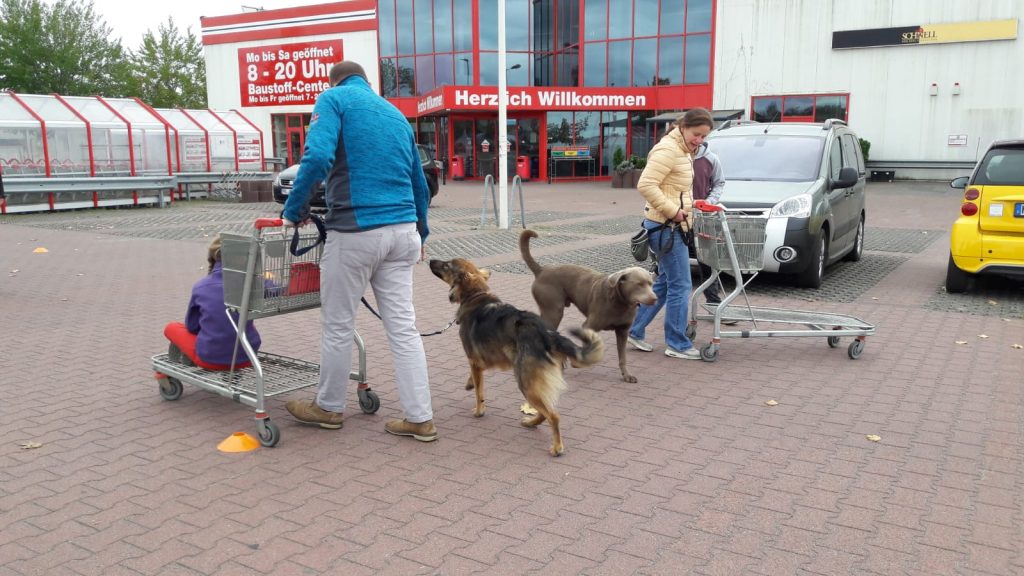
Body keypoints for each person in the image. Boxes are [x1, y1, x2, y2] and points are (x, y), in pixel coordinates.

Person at [281, 61, 436, 441]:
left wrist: (294, 209)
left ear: (334, 81)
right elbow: (419, 183)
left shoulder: (333, 99)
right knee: (403, 328)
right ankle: (420, 418)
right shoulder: (395, 114)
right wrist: (421, 233)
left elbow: (317, 158)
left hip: (355, 231)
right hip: (403, 232)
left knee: (338, 324)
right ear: (366, 81)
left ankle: (328, 407)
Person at [626, 108, 714, 360]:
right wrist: (673, 211)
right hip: (666, 227)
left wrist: (691, 205)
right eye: (696, 134)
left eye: (704, 137)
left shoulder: (682, 150)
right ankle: (677, 343)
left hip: (671, 225)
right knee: (681, 285)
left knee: (666, 282)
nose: (699, 140)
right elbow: (646, 184)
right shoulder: (669, 150)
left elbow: (674, 188)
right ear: (683, 127)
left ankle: (634, 329)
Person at [164, 236, 261, 370]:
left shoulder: (201, 286)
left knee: (172, 328)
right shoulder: (254, 284)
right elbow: (276, 288)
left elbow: (192, 327)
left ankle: (172, 371)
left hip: (211, 359)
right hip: (248, 356)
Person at [690, 137, 726, 304]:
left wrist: (708, 202)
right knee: (666, 265)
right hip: (677, 217)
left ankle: (713, 302)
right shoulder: (676, 156)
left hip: (702, 218)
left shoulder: (711, 159)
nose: (697, 139)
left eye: (702, 135)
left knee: (707, 261)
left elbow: (719, 183)